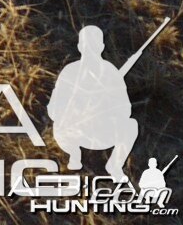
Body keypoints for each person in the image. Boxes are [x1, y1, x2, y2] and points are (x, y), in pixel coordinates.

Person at [49, 26, 141, 184]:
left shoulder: (110, 72)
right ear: (80, 47)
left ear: (101, 47)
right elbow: (54, 110)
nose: (90, 49)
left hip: (103, 133)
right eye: (87, 45)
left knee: (131, 125)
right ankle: (74, 153)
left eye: (93, 45)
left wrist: (106, 106)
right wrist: (77, 110)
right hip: (74, 133)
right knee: (59, 126)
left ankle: (114, 165)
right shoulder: (70, 71)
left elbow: (125, 110)